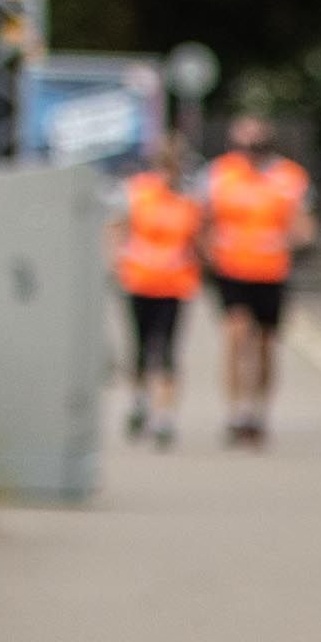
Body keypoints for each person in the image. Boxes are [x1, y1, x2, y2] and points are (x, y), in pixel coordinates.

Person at [200, 114, 313, 446]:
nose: (249, 152)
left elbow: (304, 224)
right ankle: (236, 411)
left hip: (270, 271)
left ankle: (259, 410)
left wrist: (294, 240)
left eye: (256, 145)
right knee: (235, 335)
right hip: (232, 270)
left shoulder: (290, 177)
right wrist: (207, 251)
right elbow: (203, 218)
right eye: (243, 145)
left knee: (264, 344)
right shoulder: (220, 174)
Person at [112, 148, 204, 444]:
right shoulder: (137, 193)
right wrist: (117, 262)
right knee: (139, 348)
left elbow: (198, 240)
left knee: (166, 350)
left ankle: (165, 417)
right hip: (139, 281)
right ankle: (139, 402)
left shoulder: (189, 202)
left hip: (174, 285)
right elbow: (118, 230)